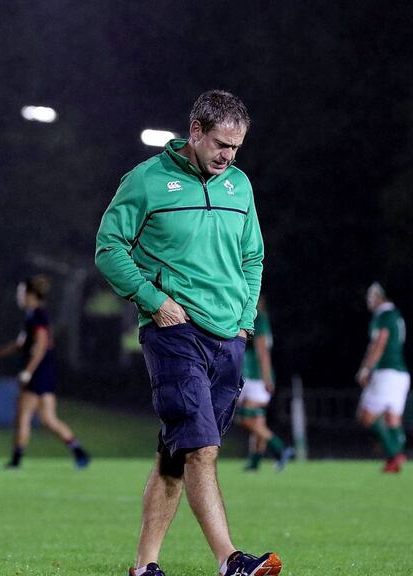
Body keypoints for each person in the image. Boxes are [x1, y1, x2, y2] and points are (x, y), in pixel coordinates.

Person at [95, 90, 282, 576]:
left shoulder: (239, 186)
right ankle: (231, 561)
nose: (229, 156)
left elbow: (253, 257)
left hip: (229, 337)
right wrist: (154, 302)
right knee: (201, 448)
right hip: (174, 332)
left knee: (175, 456)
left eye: (237, 148)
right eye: (222, 144)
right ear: (195, 131)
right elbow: (109, 247)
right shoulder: (146, 180)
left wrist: (245, 319)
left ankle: (144, 567)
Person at [0, 275, 90, 470]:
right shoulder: (32, 315)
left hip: (38, 372)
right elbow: (21, 344)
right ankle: (79, 452)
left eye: (22, 292)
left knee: (23, 415)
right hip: (45, 372)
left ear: (31, 295)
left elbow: (42, 344)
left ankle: (16, 460)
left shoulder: (37, 315)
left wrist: (28, 371)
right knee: (48, 419)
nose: (19, 296)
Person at [355, 282, 410, 473]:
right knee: (392, 418)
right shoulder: (396, 314)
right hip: (400, 372)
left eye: (370, 295)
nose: (368, 300)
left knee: (365, 416)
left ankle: (395, 453)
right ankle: (394, 460)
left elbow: (379, 343)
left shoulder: (384, 315)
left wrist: (366, 368)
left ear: (380, 296)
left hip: (386, 371)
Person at [235, 296, 293, 471]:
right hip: (252, 375)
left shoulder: (258, 318)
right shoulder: (256, 317)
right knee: (257, 421)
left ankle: (281, 448)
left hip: (256, 377)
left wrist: (267, 378)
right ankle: (255, 461)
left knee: (246, 419)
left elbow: (262, 352)